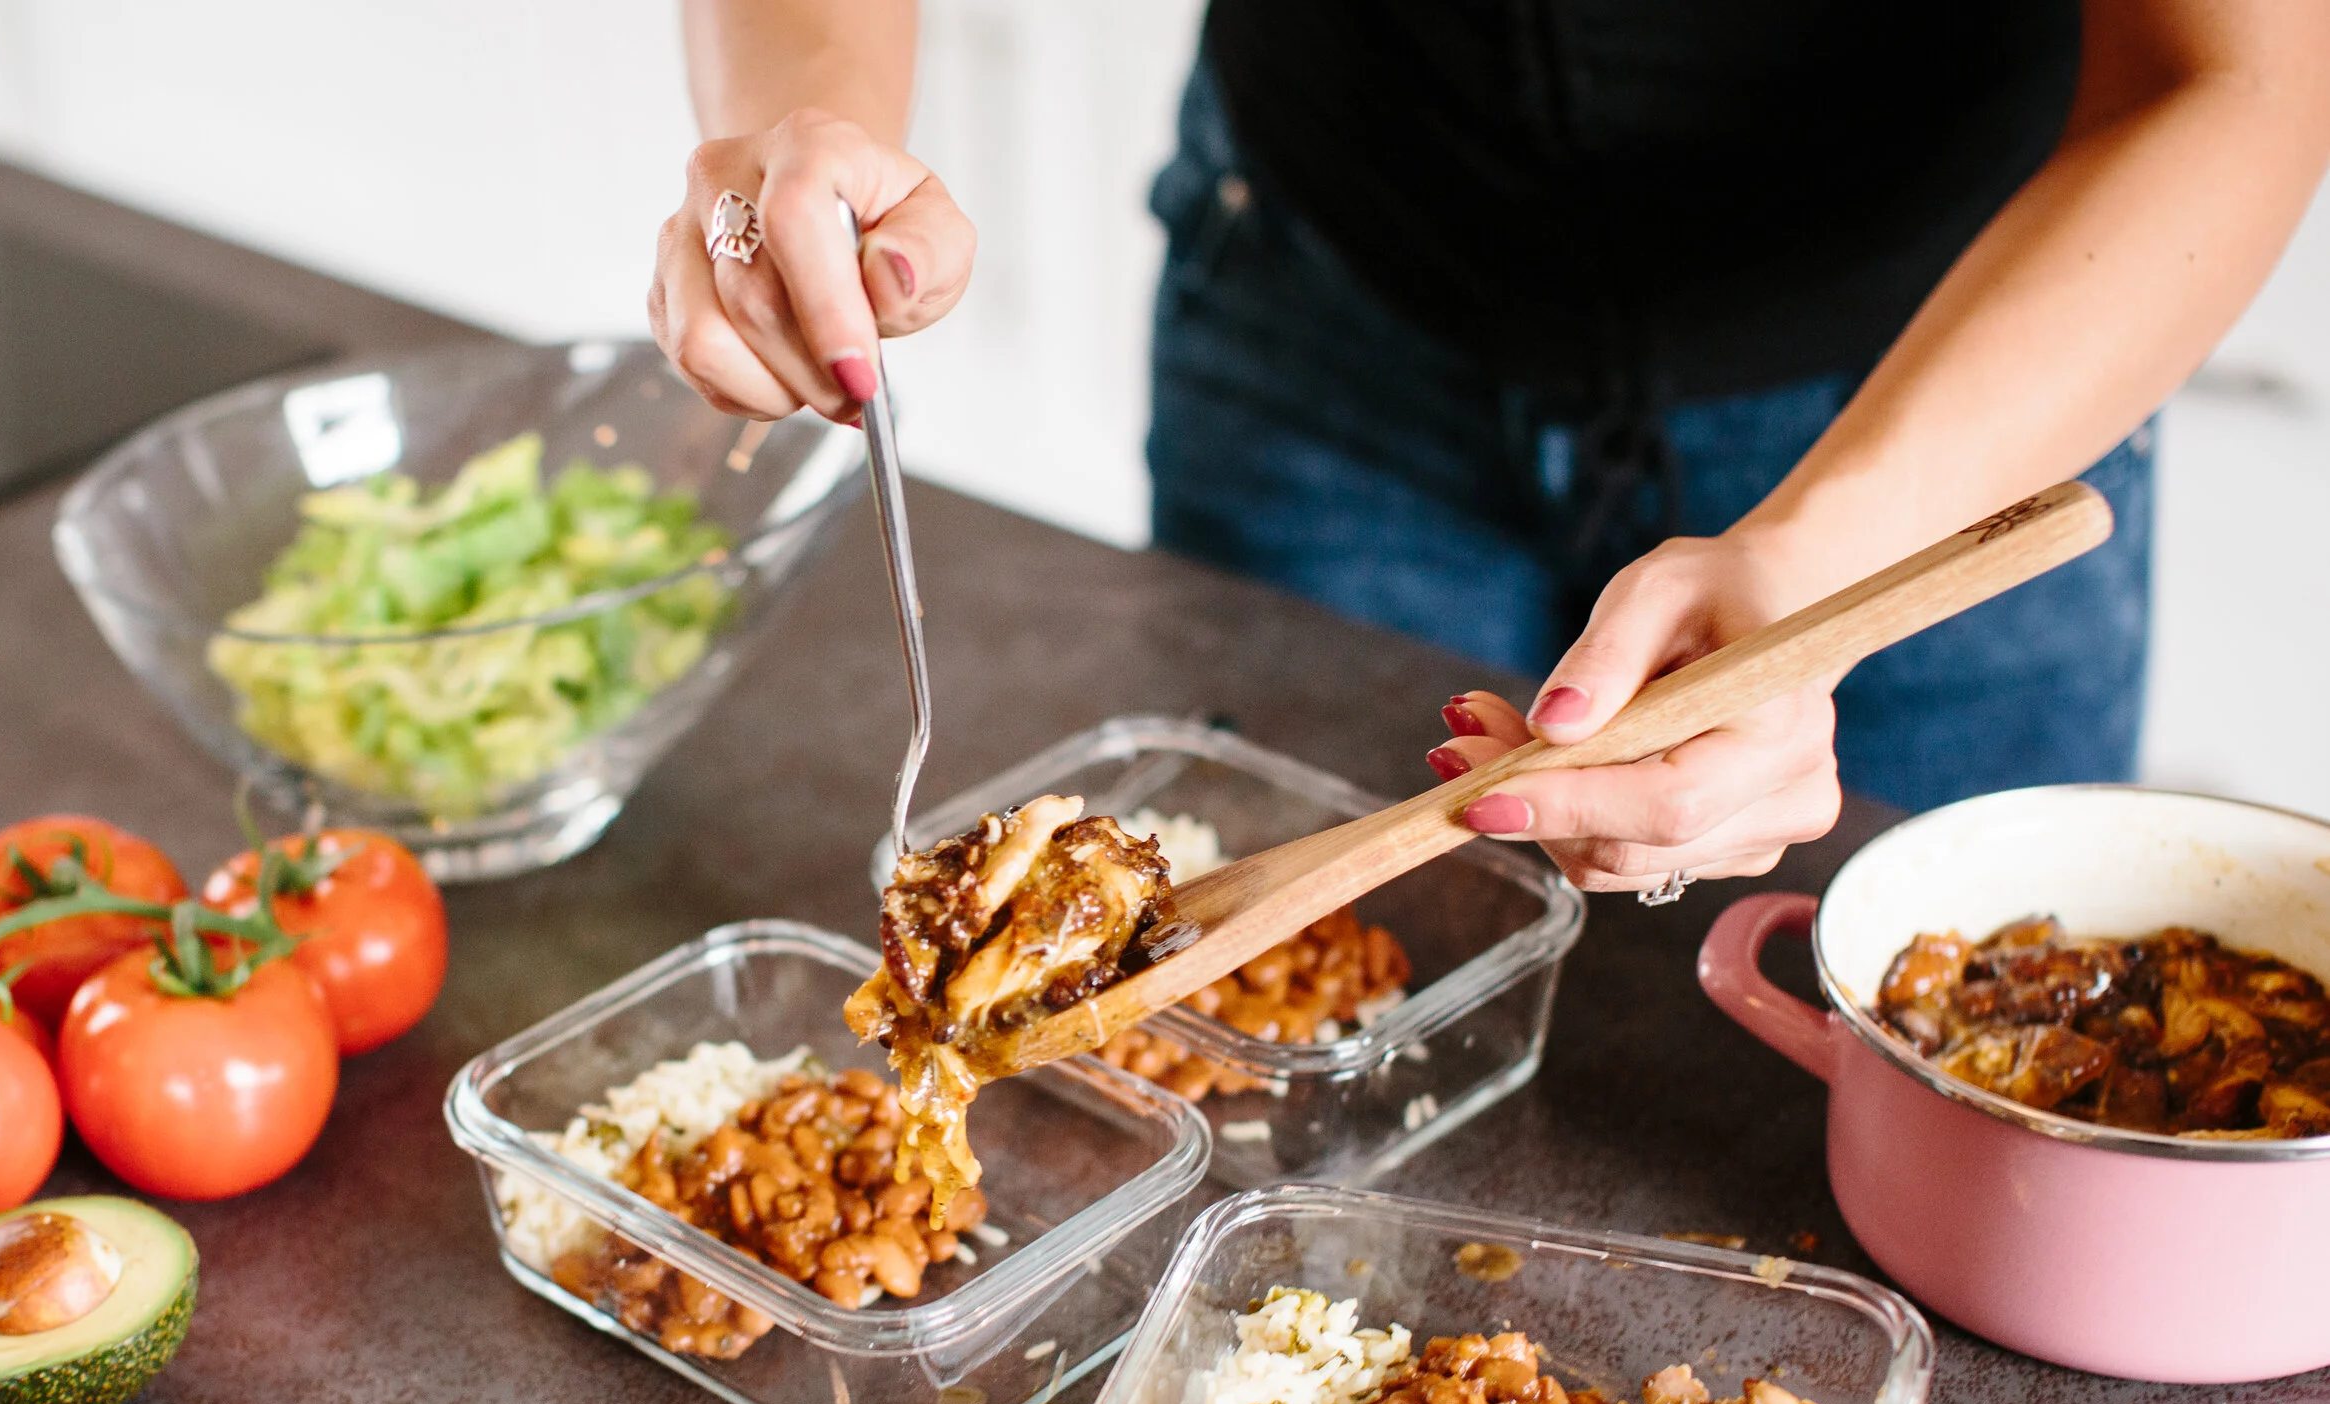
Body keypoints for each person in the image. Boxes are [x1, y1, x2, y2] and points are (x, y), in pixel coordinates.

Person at [650, 2, 2330, 897]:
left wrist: (1820, 560)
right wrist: (808, 126)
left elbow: (2236, 77)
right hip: (1332, 296)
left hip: (1967, 363)